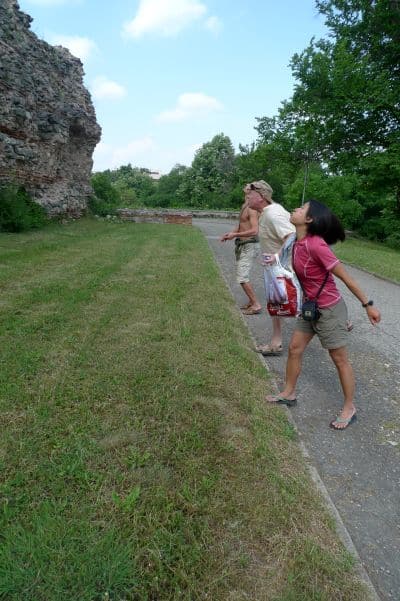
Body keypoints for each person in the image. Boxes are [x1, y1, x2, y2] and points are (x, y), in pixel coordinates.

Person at [266, 199, 381, 430]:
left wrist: (367, 305)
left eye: (301, 208)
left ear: (309, 219)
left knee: (339, 359)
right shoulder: (296, 242)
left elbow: (345, 277)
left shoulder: (316, 245)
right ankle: (289, 392)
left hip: (329, 309)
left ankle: (349, 407)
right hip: (311, 307)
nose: (295, 209)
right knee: (294, 348)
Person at [247, 180, 296, 354]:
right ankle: (276, 343)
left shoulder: (273, 214)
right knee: (276, 304)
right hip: (276, 269)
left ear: (261, 196)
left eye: (249, 194)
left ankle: (340, 321)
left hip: (287, 270)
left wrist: (277, 257)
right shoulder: (265, 212)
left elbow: (292, 236)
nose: (246, 198)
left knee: (306, 304)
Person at [220, 184, 262, 315]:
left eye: (249, 186)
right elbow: (241, 225)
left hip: (249, 245)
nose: (245, 185)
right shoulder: (245, 205)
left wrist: (235, 235)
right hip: (243, 245)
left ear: (252, 191)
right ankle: (251, 301)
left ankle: (256, 305)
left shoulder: (252, 209)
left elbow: (255, 230)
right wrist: (230, 234)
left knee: (242, 277)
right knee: (242, 275)